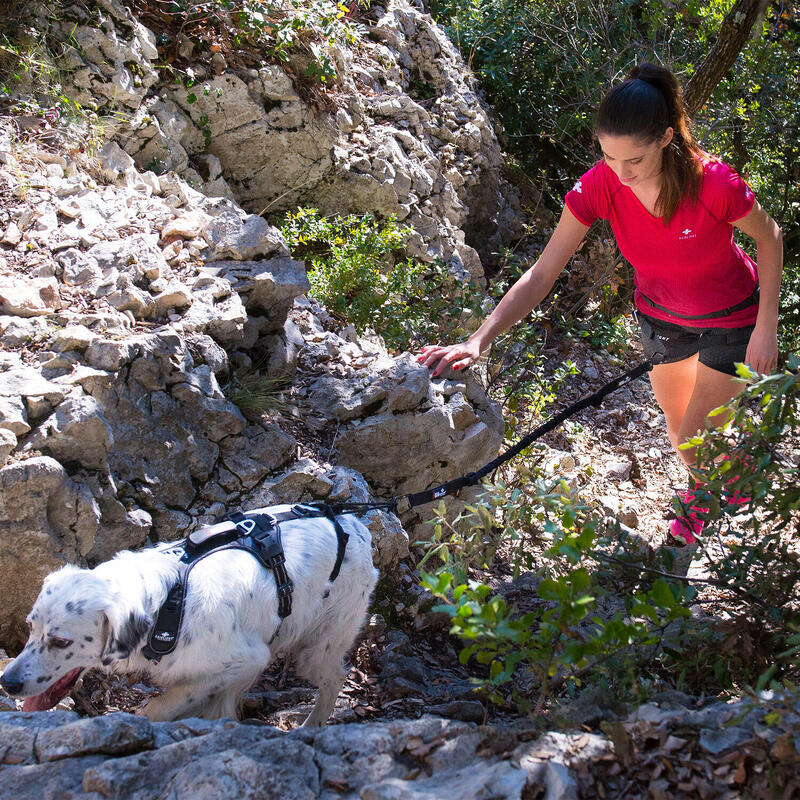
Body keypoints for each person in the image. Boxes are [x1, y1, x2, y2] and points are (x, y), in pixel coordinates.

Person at [417, 62, 783, 545]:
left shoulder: (712, 183)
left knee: (696, 444)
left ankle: (708, 504)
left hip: (734, 320)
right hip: (663, 320)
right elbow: (542, 273)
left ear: (667, 138)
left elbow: (771, 237)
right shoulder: (601, 184)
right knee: (683, 439)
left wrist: (766, 326)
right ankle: (728, 481)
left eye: (633, 160)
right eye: (610, 158)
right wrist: (478, 339)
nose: (621, 173)